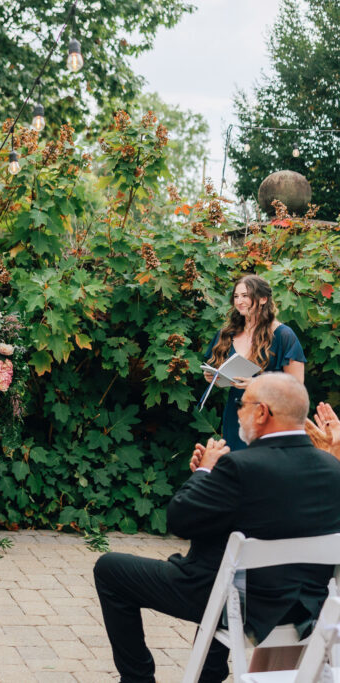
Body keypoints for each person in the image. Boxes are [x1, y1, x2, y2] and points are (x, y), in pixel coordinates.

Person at [94, 372, 340, 682]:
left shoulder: (239, 468)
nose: (239, 412)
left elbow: (179, 520)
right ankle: (207, 673)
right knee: (226, 569)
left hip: (240, 605)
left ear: (262, 413)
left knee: (110, 569)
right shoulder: (333, 467)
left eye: (243, 404)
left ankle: (138, 679)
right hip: (306, 608)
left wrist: (204, 474)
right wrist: (208, 485)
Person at [204, 274, 305, 452]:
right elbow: (220, 375)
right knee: (238, 470)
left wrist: (258, 383)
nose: (239, 301)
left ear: (263, 299)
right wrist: (214, 377)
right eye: (236, 296)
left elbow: (297, 388)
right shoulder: (227, 333)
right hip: (236, 415)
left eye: (245, 295)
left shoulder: (283, 335)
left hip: (271, 416)